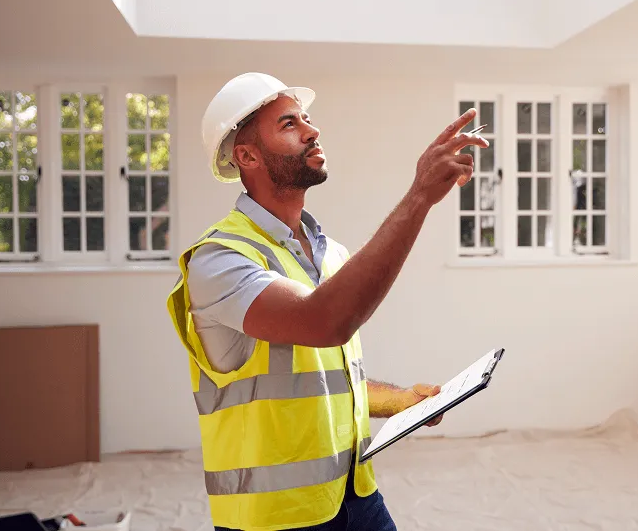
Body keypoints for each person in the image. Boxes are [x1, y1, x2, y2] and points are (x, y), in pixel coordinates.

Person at [165, 72, 489, 531]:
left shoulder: (330, 254)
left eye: (308, 119)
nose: (312, 131)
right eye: (289, 124)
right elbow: (323, 322)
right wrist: (418, 197)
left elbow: (324, 378)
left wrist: (400, 402)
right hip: (276, 518)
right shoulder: (219, 259)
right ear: (247, 155)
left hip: (354, 493)